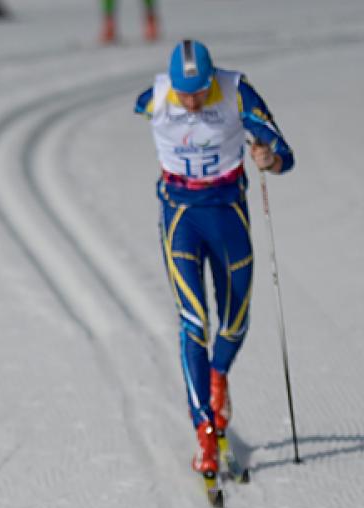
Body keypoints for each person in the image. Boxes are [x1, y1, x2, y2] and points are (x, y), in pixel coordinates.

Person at [135, 40, 294, 477]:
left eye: (199, 92)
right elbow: (143, 105)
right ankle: (205, 428)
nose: (190, 102)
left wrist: (269, 157)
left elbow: (284, 154)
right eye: (184, 94)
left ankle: (218, 376)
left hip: (228, 214)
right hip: (181, 217)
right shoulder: (156, 98)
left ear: (211, 80)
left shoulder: (238, 93)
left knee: (236, 322)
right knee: (194, 322)